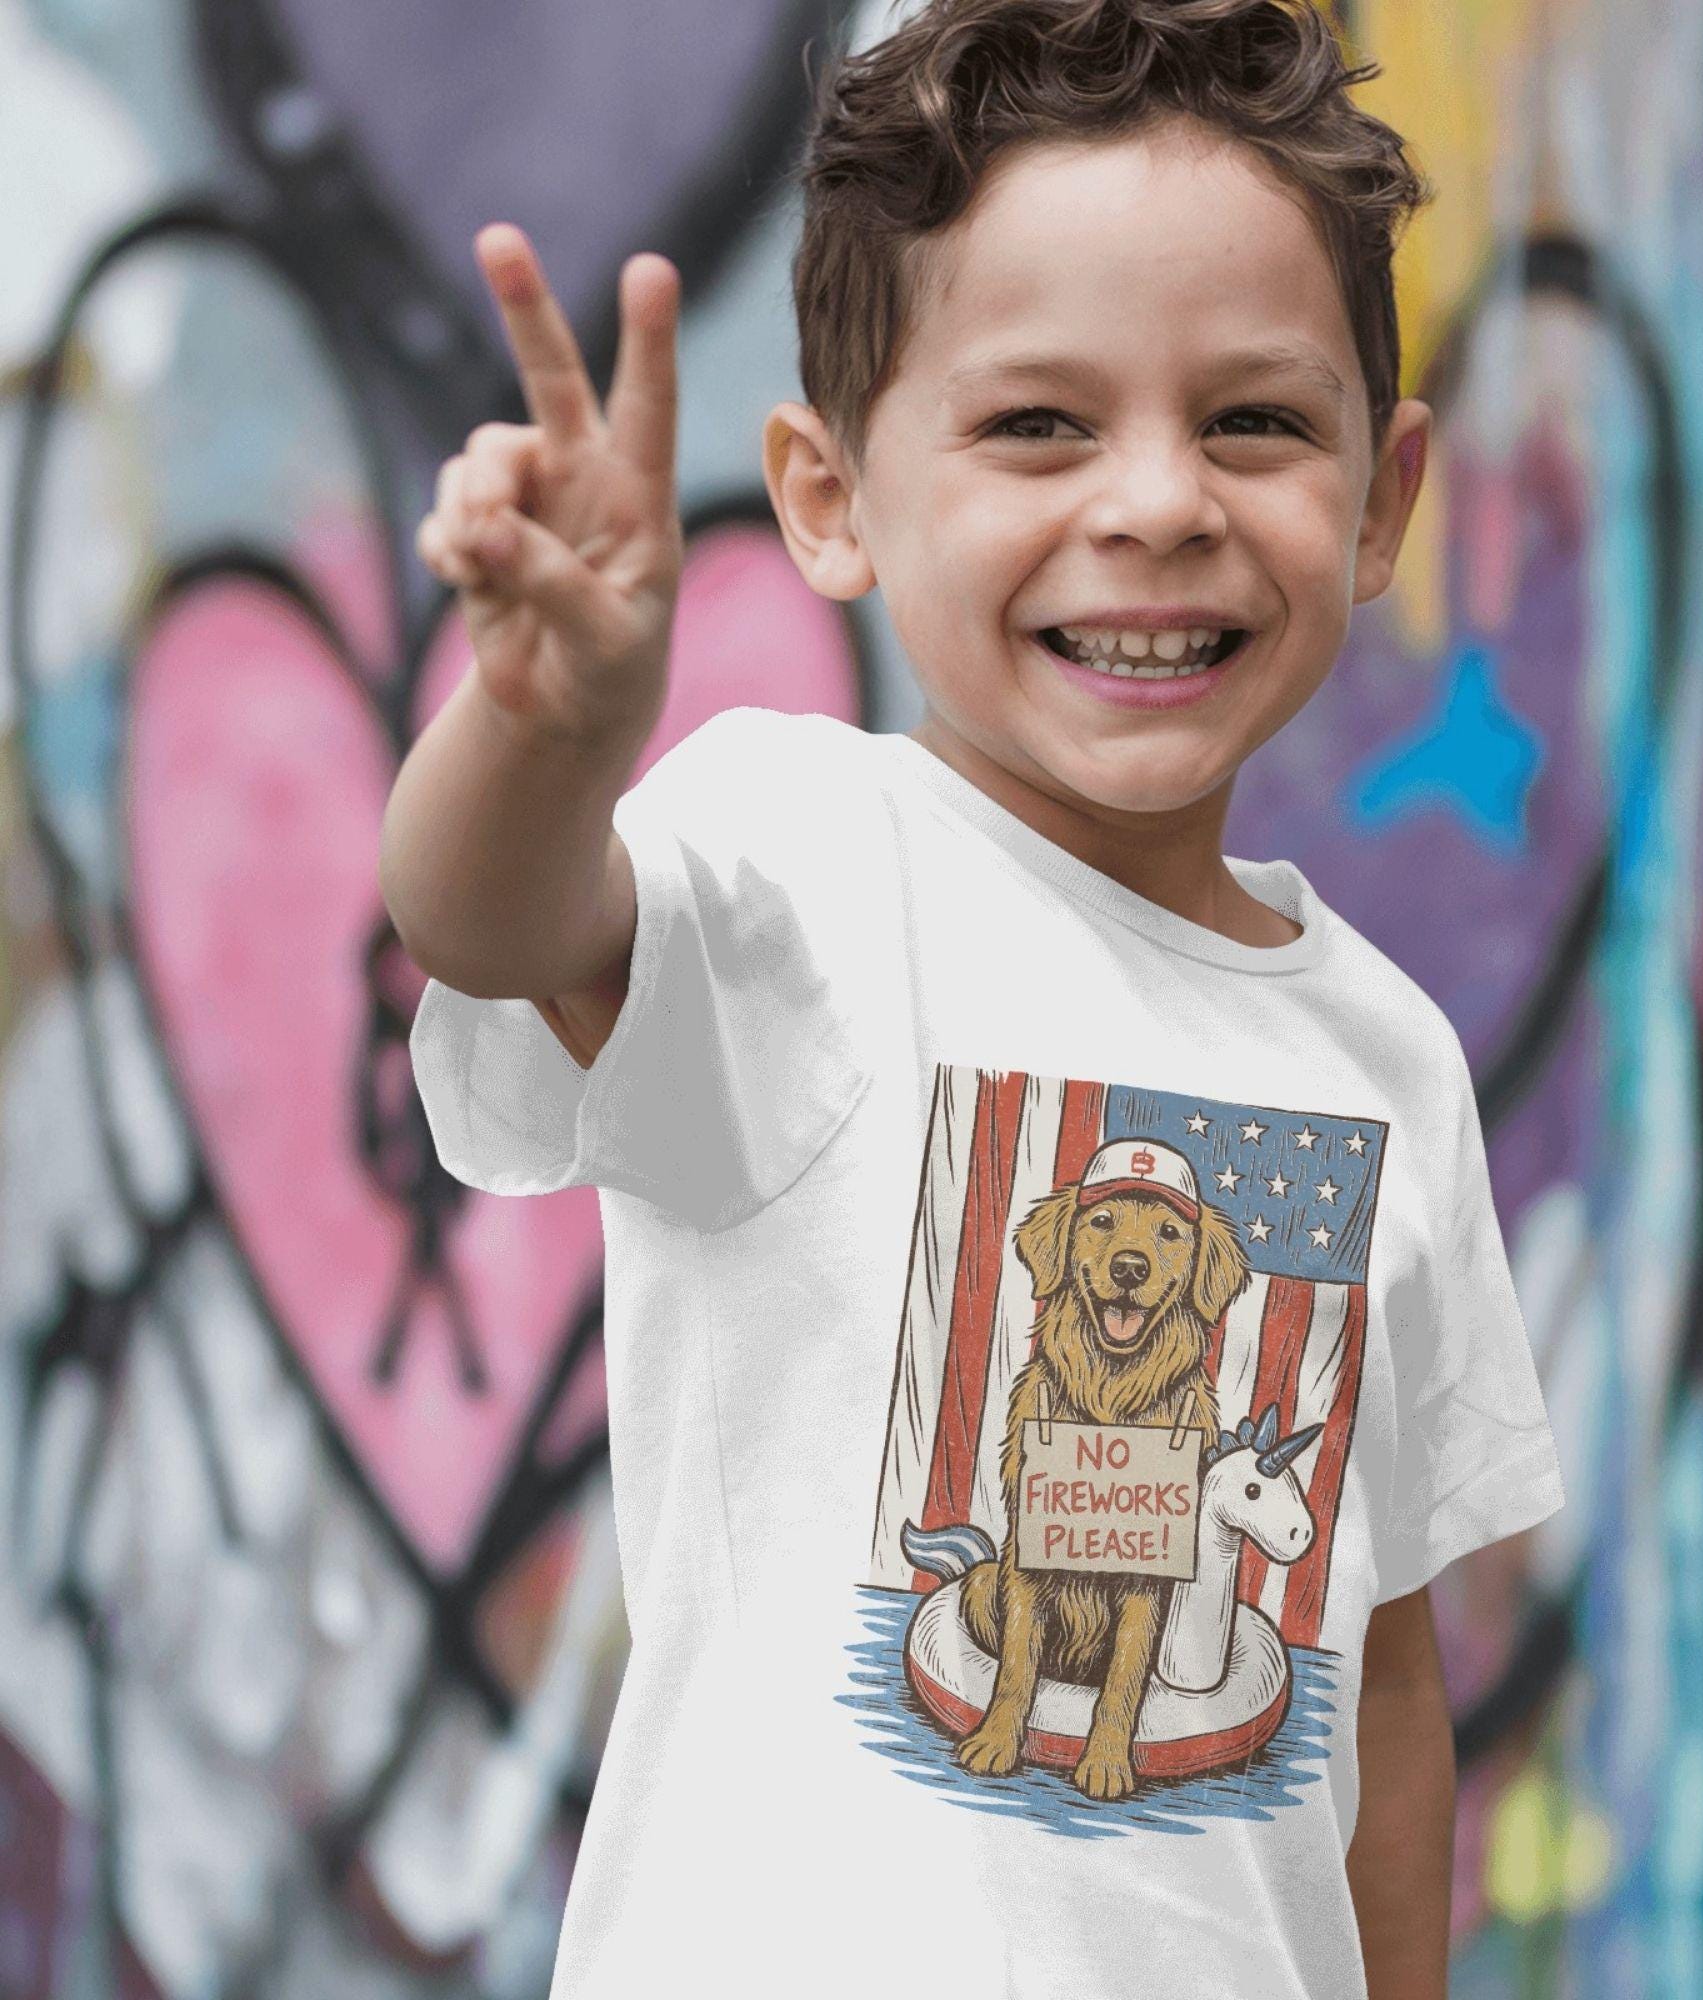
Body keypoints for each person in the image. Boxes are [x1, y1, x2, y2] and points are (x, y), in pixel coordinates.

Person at [379, 0, 1564, 1992]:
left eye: (1254, 420)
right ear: (829, 495)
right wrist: (539, 732)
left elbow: (1382, 1685)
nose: (1159, 502)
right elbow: (491, 921)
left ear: (1382, 496)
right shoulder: (798, 870)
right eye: (1040, 423)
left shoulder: (1385, 1060)